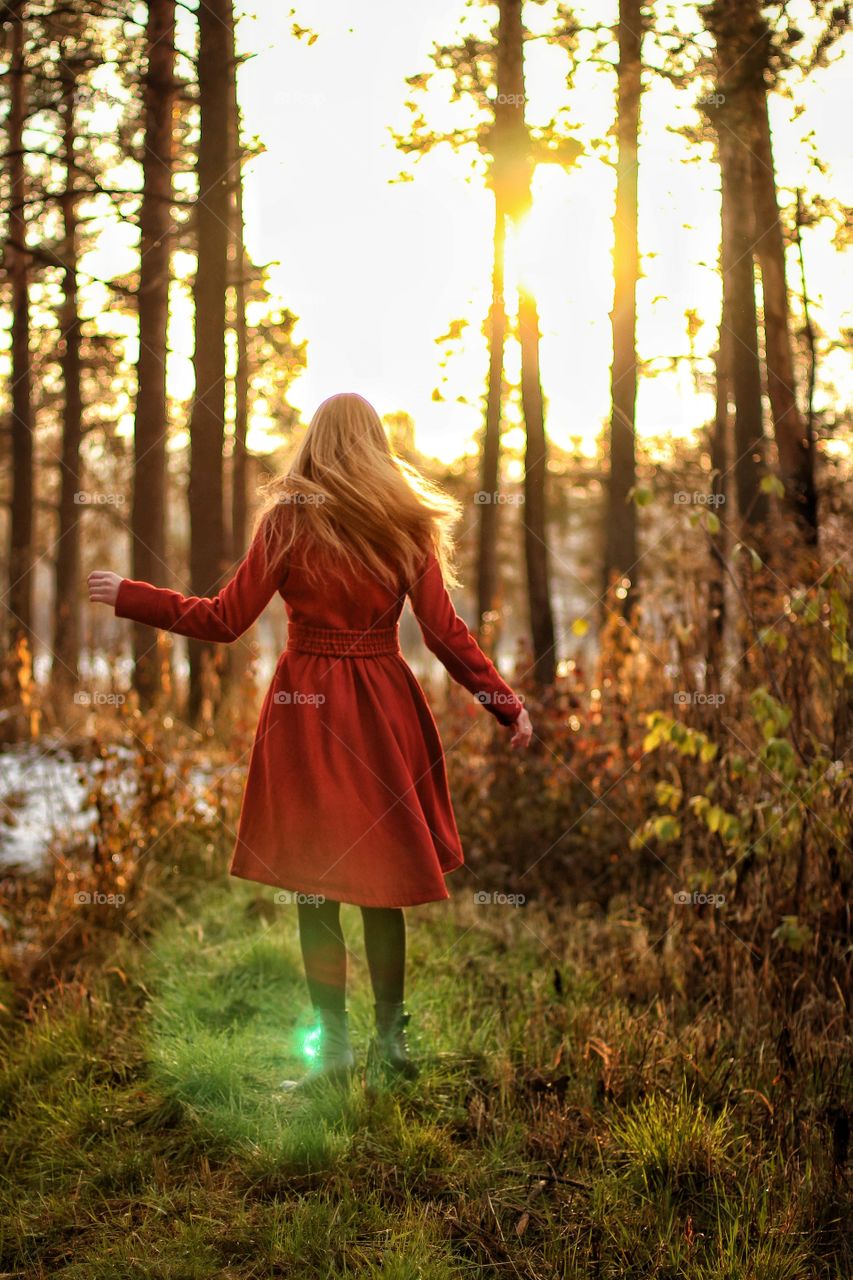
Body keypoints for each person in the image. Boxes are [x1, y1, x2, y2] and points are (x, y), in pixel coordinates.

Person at [88, 391, 532, 1091]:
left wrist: (132, 595)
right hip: (383, 708)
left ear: (314, 442)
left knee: (314, 888)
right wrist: (505, 705)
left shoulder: (289, 522)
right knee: (380, 887)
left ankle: (332, 1051)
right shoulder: (404, 524)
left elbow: (223, 619)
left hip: (306, 712)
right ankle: (389, 1044)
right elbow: (445, 634)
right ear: (376, 445)